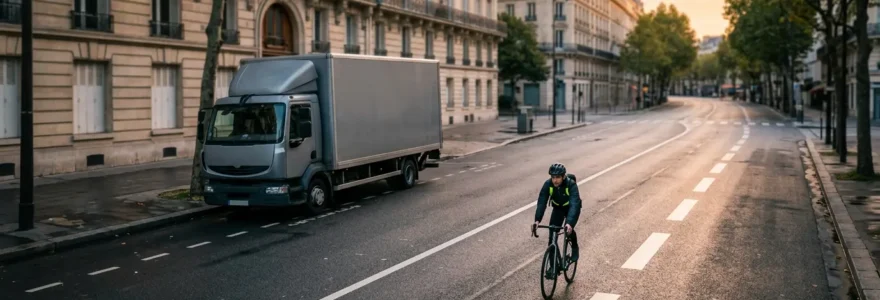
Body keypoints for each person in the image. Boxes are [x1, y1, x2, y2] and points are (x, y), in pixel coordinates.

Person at [533, 163, 582, 261]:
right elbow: (542, 201)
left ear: (563, 177)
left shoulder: (571, 184)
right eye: (553, 177)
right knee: (552, 237)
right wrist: (537, 220)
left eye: (558, 177)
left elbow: (574, 204)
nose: (555, 180)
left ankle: (574, 247)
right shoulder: (548, 184)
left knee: (568, 231)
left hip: (571, 208)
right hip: (558, 209)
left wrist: (569, 223)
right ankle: (553, 265)